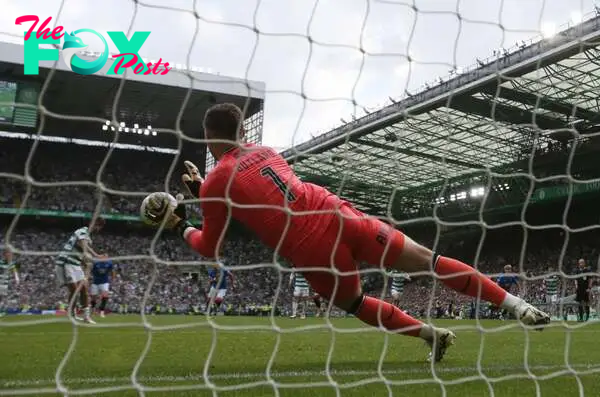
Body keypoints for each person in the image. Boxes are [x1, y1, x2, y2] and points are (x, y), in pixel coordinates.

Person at [144, 103, 550, 362]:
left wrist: (179, 223)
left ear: (209, 136)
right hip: (338, 214)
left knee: (357, 303)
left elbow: (211, 246)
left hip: (312, 250)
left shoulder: (217, 180)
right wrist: (204, 191)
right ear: (242, 132)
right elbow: (253, 190)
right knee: (430, 262)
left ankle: (432, 335)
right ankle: (516, 305)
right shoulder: (266, 151)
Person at [54, 218, 106, 323]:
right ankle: (72, 315)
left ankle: (86, 317)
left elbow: (84, 250)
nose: (98, 229)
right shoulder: (83, 230)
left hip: (76, 264)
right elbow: (82, 245)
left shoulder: (88, 237)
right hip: (67, 262)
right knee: (74, 290)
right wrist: (94, 256)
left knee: (84, 290)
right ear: (97, 225)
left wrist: (92, 258)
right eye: (98, 226)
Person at [0, 248, 19, 316]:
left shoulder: (11, 263)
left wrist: (17, 279)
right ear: (5, 255)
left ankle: (0, 311)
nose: (10, 255)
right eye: (9, 254)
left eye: (11, 254)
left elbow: (14, 271)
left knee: (2, 298)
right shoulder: (1, 262)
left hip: (5, 283)